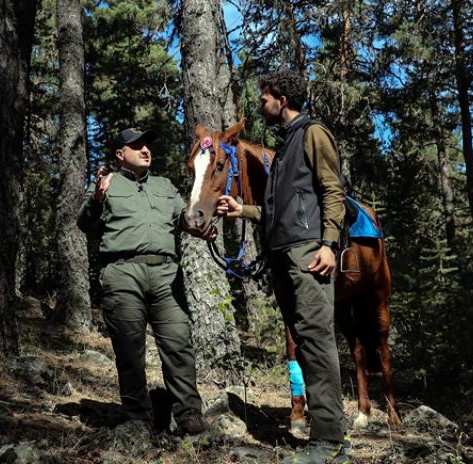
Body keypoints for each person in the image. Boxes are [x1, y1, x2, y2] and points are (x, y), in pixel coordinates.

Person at [215, 70, 351, 463]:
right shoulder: (287, 143)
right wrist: (245, 210)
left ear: (282, 98)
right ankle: (325, 436)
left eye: (265, 97)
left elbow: (332, 190)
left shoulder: (313, 134)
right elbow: (282, 207)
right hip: (283, 254)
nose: (261, 104)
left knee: (316, 341)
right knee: (303, 344)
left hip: (308, 253)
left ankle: (330, 443)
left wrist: (328, 244)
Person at [78, 126, 208, 437]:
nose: (145, 149)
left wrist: (202, 226)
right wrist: (97, 198)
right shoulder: (106, 185)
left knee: (179, 344)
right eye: (136, 146)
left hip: (166, 276)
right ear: (121, 155)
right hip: (122, 273)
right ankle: (138, 418)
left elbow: (185, 219)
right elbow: (85, 223)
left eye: (147, 144)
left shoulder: (165, 185)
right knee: (129, 350)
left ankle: (189, 416)